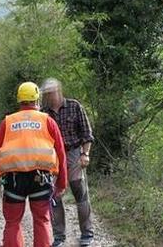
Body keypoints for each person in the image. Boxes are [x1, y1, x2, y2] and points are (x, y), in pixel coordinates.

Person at [0, 82, 68, 247]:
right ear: (37, 99)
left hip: (13, 179)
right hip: (41, 178)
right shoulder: (48, 121)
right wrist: (61, 182)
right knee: (42, 220)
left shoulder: (8, 122)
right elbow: (61, 153)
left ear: (19, 100)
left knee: (12, 222)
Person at [40, 79, 95, 247]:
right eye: (47, 93)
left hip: (73, 153)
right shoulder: (43, 113)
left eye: (52, 92)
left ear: (59, 91)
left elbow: (87, 133)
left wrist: (85, 154)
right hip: (53, 156)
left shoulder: (74, 106)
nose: (50, 96)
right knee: (55, 195)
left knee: (80, 192)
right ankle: (59, 236)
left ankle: (87, 233)